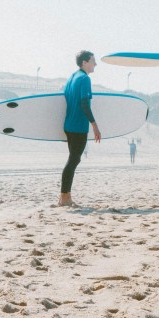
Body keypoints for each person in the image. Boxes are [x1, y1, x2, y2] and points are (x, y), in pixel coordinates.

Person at [59, 50, 101, 207]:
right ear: (84, 62)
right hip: (78, 126)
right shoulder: (84, 79)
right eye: (93, 61)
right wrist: (95, 126)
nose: (95, 64)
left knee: (73, 159)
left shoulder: (72, 78)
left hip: (69, 125)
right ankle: (64, 197)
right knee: (73, 160)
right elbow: (85, 104)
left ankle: (65, 196)